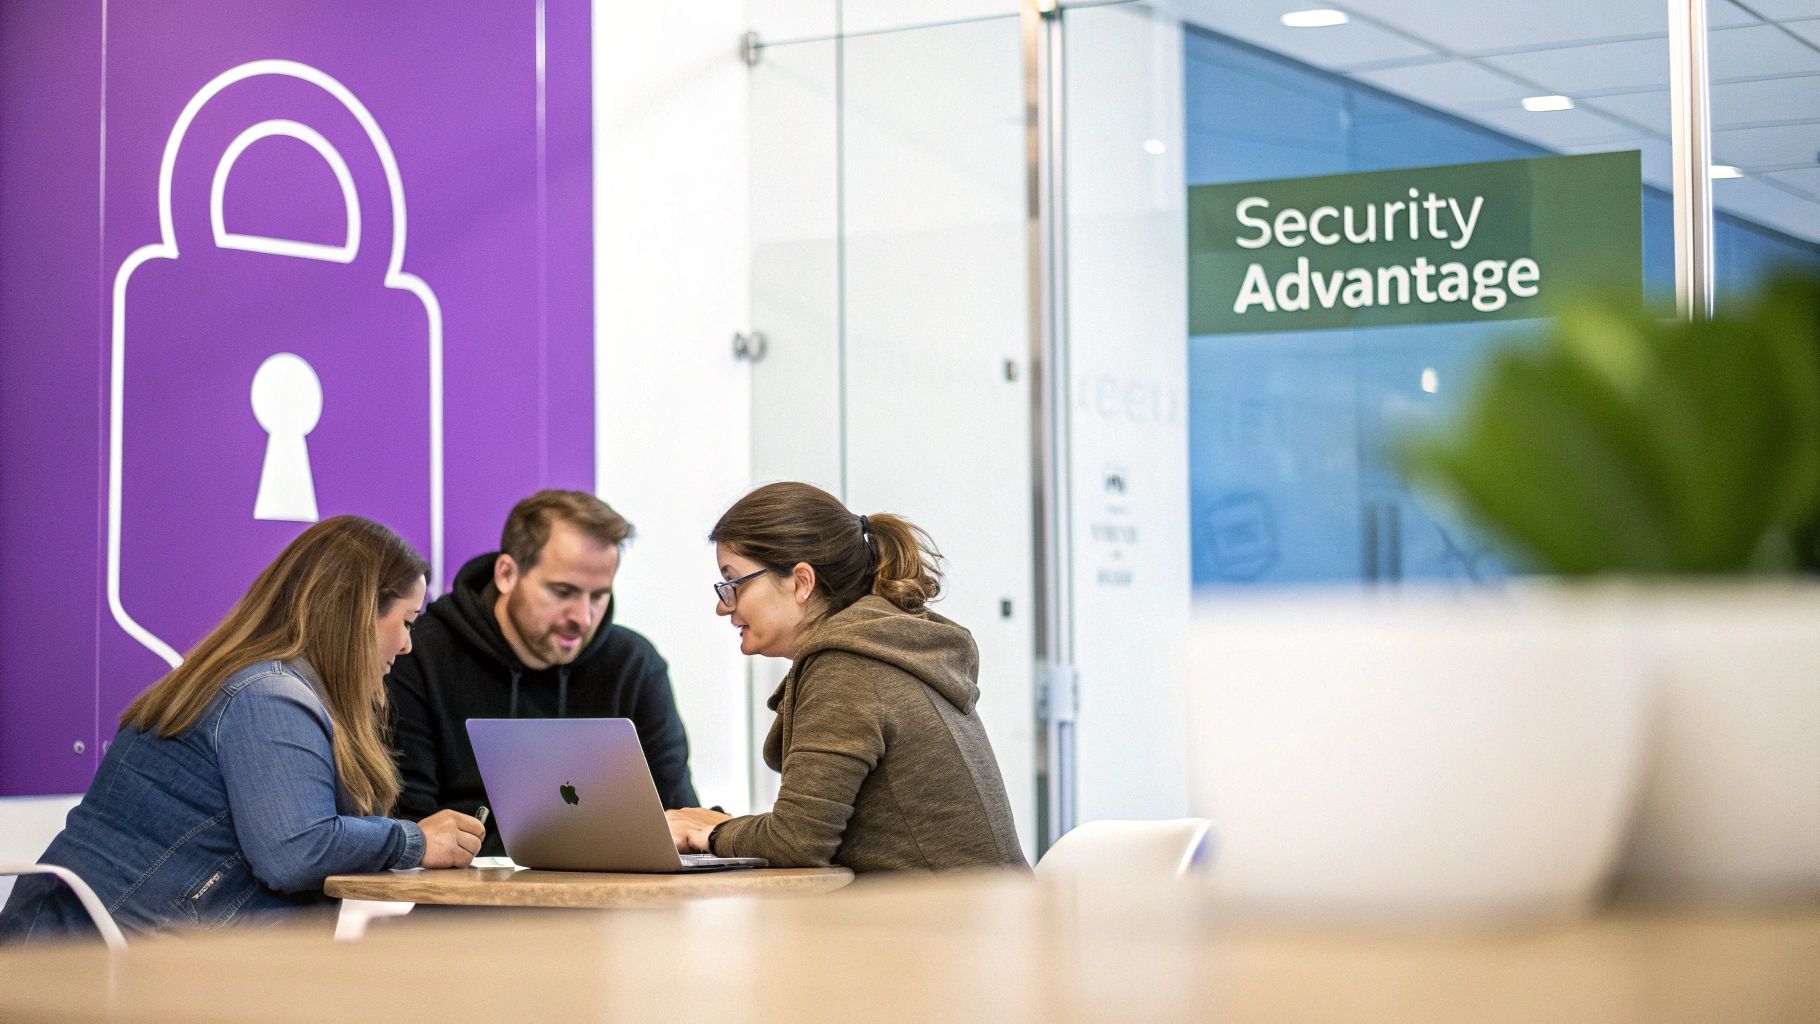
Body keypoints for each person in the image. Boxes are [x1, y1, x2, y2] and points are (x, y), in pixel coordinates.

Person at [0, 516, 482, 943]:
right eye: (406, 621)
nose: (407, 646)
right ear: (355, 617)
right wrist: (413, 841)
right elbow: (294, 852)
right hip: (95, 962)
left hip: (98, 945)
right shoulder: (268, 696)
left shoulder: (259, 683)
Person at [666, 482, 1028, 874]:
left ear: (802, 582)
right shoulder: (874, 651)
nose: (723, 607)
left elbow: (795, 843)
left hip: (956, 927)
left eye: (733, 584)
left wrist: (713, 832)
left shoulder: (847, 668)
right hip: (974, 918)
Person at [387, 489, 696, 856]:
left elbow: (678, 819)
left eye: (598, 596)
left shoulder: (634, 665)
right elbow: (411, 826)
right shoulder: (419, 654)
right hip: (463, 905)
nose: (582, 617)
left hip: (608, 906)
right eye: (563, 591)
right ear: (506, 574)